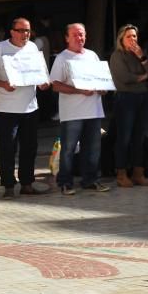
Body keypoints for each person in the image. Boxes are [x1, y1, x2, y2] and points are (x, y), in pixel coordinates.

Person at [0, 18, 51, 199]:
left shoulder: (33, 48)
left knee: (30, 147)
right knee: (8, 149)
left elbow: (43, 75)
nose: (25, 35)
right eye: (21, 31)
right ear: (12, 32)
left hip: (30, 107)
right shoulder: (0, 49)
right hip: (6, 109)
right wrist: (2, 83)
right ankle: (8, 186)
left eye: (28, 31)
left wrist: (44, 82)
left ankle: (27, 184)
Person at [50, 24, 111, 194]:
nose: (79, 38)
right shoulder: (62, 58)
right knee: (68, 149)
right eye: (75, 35)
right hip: (72, 113)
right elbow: (55, 85)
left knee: (93, 149)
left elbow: (102, 80)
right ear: (67, 38)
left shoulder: (92, 55)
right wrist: (79, 91)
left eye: (82, 34)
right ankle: (65, 183)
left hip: (94, 110)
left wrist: (103, 88)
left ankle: (91, 180)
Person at [109, 24, 148, 187]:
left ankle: (138, 172)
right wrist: (144, 76)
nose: (132, 39)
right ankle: (121, 173)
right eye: (129, 36)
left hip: (142, 97)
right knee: (124, 137)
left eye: (134, 36)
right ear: (121, 39)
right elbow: (125, 78)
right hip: (125, 99)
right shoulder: (117, 56)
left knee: (140, 136)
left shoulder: (139, 53)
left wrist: (142, 57)